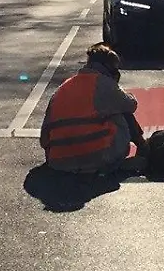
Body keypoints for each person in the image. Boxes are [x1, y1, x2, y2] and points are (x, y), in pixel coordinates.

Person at [40, 43, 148, 175]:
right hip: (96, 157)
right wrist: (115, 85)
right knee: (120, 111)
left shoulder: (64, 86)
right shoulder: (103, 84)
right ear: (110, 68)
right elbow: (131, 105)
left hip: (58, 160)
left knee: (109, 107)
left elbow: (45, 134)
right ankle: (143, 148)